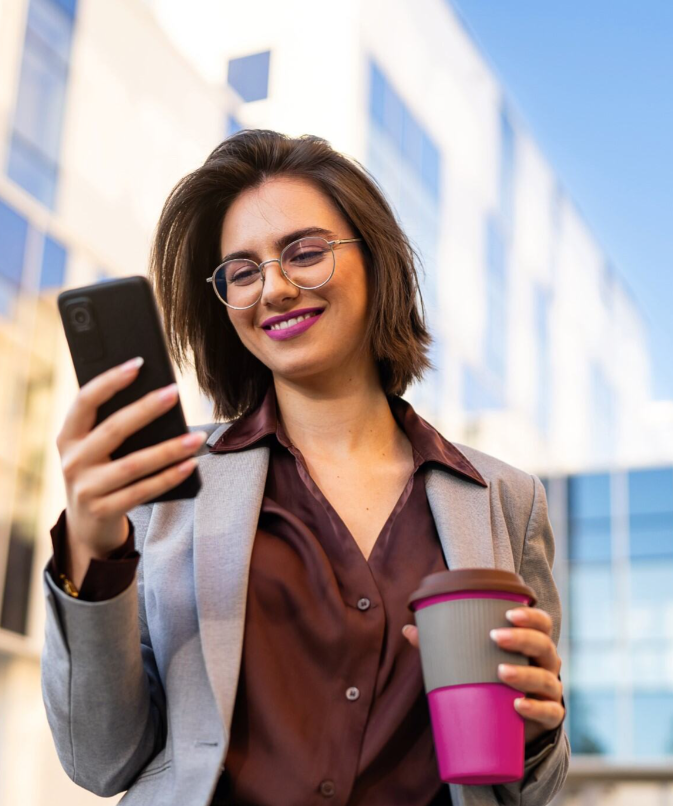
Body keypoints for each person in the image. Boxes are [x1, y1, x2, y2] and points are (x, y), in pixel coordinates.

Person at [41, 129, 569, 806]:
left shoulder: (506, 499)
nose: (277, 288)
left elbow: (535, 791)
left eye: (305, 253)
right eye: (242, 271)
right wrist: (92, 550)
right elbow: (100, 760)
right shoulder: (165, 485)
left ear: (375, 261)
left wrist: (537, 733)